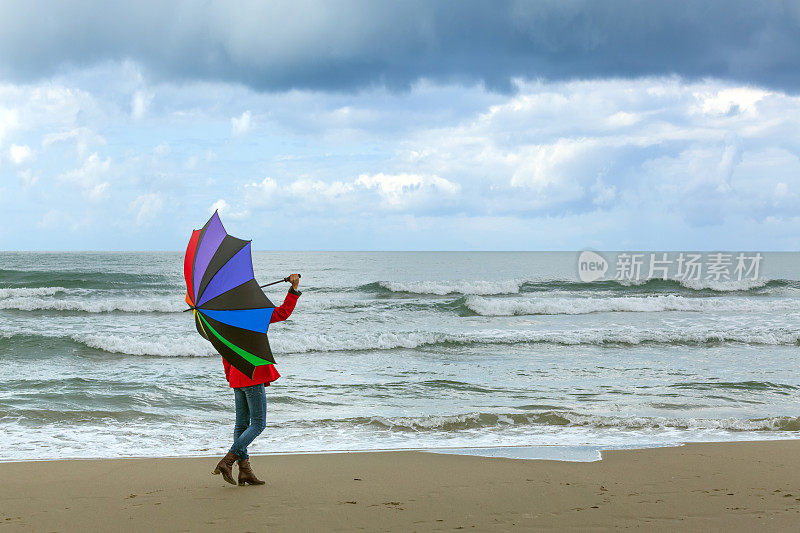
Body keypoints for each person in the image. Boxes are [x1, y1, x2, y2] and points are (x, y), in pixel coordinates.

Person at [213, 273, 301, 486]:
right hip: (252, 376)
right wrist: (294, 287)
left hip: (236, 376)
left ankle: (245, 471)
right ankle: (229, 460)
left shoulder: (225, 319)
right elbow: (283, 312)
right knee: (258, 424)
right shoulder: (255, 314)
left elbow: (226, 352)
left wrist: (230, 377)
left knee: (241, 424)